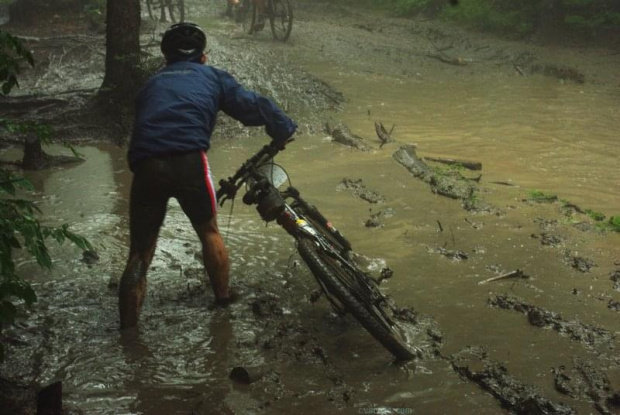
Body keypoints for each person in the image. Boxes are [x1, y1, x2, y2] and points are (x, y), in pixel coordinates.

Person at [119, 22, 297, 330]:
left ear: (166, 58)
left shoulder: (151, 84)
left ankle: (128, 332)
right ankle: (223, 300)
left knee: (139, 251)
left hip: (147, 165)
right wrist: (282, 128)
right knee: (209, 232)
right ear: (203, 57)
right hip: (189, 160)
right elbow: (252, 106)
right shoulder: (213, 76)